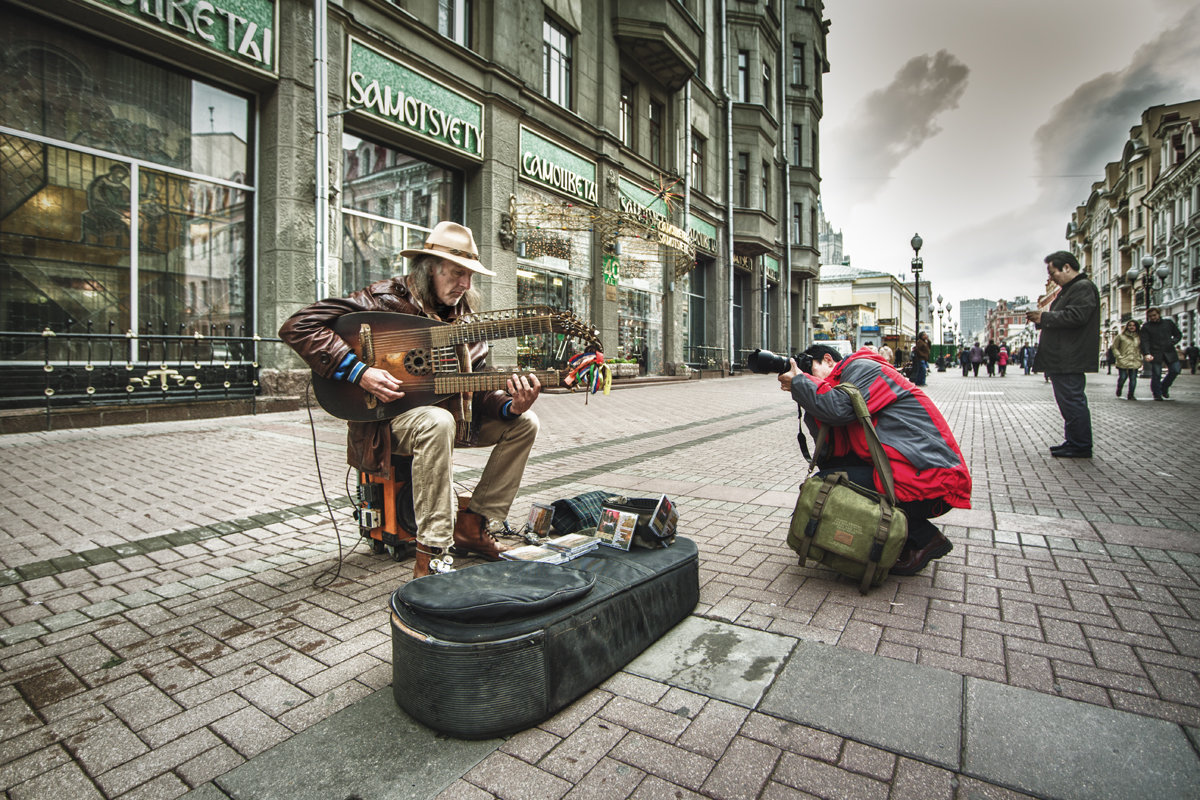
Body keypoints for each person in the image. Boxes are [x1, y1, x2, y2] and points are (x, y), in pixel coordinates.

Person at [279, 221, 542, 577]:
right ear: (430, 268)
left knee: (525, 423)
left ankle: (474, 525)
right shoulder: (382, 299)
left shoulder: (466, 323)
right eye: (456, 273)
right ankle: (431, 554)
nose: (464, 285)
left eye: (470, 276)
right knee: (437, 421)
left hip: (451, 420)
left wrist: (511, 405)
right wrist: (360, 371)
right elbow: (298, 326)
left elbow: (477, 390)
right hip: (385, 423)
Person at [778, 344, 972, 576]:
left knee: (831, 483)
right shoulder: (843, 383)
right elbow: (831, 453)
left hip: (931, 476)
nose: (808, 377)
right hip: (907, 469)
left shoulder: (863, 368)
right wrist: (805, 395)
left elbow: (837, 409)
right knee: (831, 473)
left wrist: (802, 384)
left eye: (810, 370)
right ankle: (899, 536)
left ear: (829, 360)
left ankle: (925, 539)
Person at [1027, 251, 1100, 458]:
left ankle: (1080, 444)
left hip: (1070, 357)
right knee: (1068, 402)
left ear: (1066, 267)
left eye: (1053, 272)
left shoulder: (1082, 287)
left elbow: (1076, 316)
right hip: (1065, 357)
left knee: (1072, 400)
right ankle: (1074, 440)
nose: (1051, 278)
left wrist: (1044, 317)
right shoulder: (1071, 289)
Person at [1139, 307, 1182, 400]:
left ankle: (1164, 387)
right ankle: (1157, 394)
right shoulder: (1146, 327)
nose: (1153, 317)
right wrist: (1147, 353)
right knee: (1156, 374)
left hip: (1169, 351)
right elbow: (1144, 341)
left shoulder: (1168, 323)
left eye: (1154, 315)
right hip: (1155, 353)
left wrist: (1173, 342)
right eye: (1150, 316)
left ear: (1159, 314)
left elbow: (1178, 334)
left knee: (1176, 370)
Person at [1113, 319, 1142, 400]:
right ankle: (1119, 388)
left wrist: (1141, 357)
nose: (1132, 327)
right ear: (1127, 327)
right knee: (1123, 377)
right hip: (1123, 360)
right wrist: (1119, 356)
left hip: (1135, 360)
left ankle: (1131, 394)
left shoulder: (1139, 337)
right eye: (1130, 325)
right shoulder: (1120, 336)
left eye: (1133, 325)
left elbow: (1141, 348)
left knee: (1133, 378)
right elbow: (1114, 347)